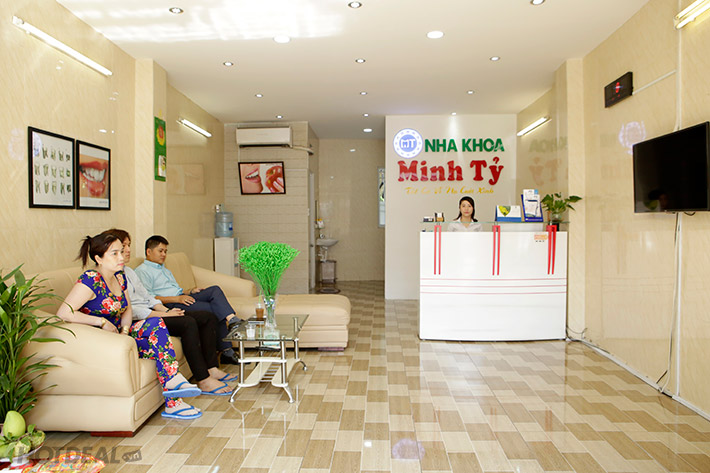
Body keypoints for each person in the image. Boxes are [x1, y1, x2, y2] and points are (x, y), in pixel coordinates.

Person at [56, 232, 202, 420]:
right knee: (158, 347)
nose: (121, 256)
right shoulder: (90, 279)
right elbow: (64, 313)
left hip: (119, 337)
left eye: (121, 251)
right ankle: (174, 399)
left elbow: (127, 309)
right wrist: (101, 322)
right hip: (99, 340)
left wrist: (125, 333)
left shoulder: (119, 277)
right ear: (98, 258)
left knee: (156, 326)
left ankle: (173, 388)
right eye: (114, 253)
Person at [109, 229, 235, 395]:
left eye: (127, 246)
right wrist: (165, 313)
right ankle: (203, 379)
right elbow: (132, 309)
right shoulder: (113, 276)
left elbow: (148, 298)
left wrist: (166, 310)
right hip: (142, 320)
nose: (127, 250)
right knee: (188, 322)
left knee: (208, 316)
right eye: (122, 247)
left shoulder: (129, 272)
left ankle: (211, 368)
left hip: (156, 310)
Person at [134, 235, 242, 365]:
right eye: (160, 251)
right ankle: (227, 351)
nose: (164, 254)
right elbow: (150, 298)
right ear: (148, 251)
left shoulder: (163, 269)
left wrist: (189, 291)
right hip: (170, 304)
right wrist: (178, 299)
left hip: (181, 297)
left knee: (214, 290)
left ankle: (232, 320)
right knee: (214, 309)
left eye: (165, 251)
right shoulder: (142, 271)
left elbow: (175, 289)